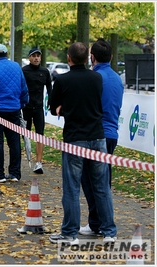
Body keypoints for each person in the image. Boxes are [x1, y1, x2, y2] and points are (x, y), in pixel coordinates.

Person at [48, 42, 117, 245]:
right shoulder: (97, 77)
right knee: (102, 186)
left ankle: (70, 233)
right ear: (88, 58)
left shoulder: (61, 80)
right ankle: (109, 232)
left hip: (75, 139)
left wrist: (62, 108)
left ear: (69, 58)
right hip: (98, 137)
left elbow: (53, 107)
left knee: (72, 188)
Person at [79, 38, 123, 237]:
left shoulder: (94, 78)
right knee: (101, 180)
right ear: (111, 57)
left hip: (96, 134)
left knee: (93, 182)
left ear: (92, 57)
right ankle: (98, 223)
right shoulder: (116, 78)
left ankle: (104, 226)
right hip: (112, 133)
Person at [0, 44, 29, 183]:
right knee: (14, 141)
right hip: (14, 110)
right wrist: (22, 103)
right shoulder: (17, 67)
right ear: (7, 54)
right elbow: (24, 89)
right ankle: (15, 173)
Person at [21, 48, 52, 174]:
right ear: (29, 58)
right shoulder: (24, 71)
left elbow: (50, 88)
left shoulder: (45, 71)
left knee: (40, 134)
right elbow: (19, 87)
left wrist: (51, 100)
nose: (36, 58)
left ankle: (39, 162)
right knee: (26, 134)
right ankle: (28, 156)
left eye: (38, 56)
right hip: (26, 107)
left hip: (38, 107)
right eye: (33, 56)